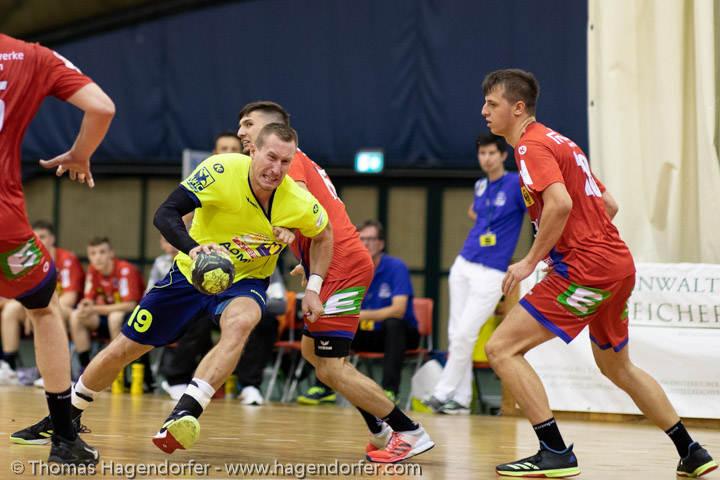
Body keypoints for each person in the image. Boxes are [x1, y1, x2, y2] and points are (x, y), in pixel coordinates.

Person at [12, 123, 333, 457]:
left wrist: (314, 287)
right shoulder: (221, 170)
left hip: (245, 280)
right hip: (190, 273)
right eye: (271, 157)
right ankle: (63, 419)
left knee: (241, 323)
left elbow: (325, 236)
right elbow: (165, 213)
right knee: (123, 349)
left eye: (285, 161)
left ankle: (184, 413)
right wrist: (193, 248)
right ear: (253, 151)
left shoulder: (298, 201)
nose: (277, 169)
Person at [480, 68, 717, 478]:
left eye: (492, 104)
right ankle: (692, 452)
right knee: (617, 367)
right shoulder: (563, 142)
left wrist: (532, 260)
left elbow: (560, 204)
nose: (484, 111)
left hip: (586, 269)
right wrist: (574, 245)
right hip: (616, 265)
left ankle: (555, 452)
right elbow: (608, 205)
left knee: (501, 348)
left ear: (517, 108)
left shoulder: (530, 147)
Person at [237, 101, 433, 463]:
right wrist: (308, 261)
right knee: (313, 354)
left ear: (271, 128)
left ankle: (408, 431)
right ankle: (379, 428)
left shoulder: (289, 160)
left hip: (342, 267)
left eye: (248, 123)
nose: (241, 131)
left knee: (331, 366)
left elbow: (302, 209)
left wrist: (285, 235)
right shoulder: (292, 160)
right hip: (333, 265)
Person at [1, 33, 114, 464]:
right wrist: (80, 153)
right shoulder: (31, 56)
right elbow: (102, 107)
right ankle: (65, 440)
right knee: (44, 308)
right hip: (4, 219)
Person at [424, 134, 526, 415]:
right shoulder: (480, 185)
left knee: (465, 334)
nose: (486, 158)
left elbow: (536, 211)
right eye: (482, 153)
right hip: (464, 263)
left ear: (503, 155)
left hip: (492, 271)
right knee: (456, 333)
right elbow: (477, 213)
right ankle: (461, 398)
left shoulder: (516, 183)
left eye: (492, 153)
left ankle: (442, 392)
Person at [158, 131, 242, 400]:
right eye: (223, 148)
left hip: (240, 269)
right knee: (197, 320)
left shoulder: (250, 183)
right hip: (204, 266)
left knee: (249, 323)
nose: (229, 152)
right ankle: (176, 377)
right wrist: (188, 246)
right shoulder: (204, 183)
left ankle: (243, 385)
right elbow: (171, 220)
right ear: (214, 154)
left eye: (234, 148)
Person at [300, 219, 419, 405]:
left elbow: (398, 310)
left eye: (371, 239)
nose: (365, 243)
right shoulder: (351, 267)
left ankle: (390, 391)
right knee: (331, 326)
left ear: (381, 244)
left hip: (394, 335)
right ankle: (324, 387)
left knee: (394, 325)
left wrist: (361, 315)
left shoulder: (396, 266)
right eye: (361, 239)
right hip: (362, 332)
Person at [1, 220, 85, 387]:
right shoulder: (28, 259)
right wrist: (31, 309)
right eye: (34, 237)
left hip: (66, 309)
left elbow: (69, 299)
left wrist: (37, 308)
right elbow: (20, 294)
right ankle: (10, 369)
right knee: (11, 309)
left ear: (52, 239)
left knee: (51, 313)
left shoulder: (67, 259)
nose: (38, 240)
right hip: (37, 305)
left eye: (43, 236)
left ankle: (58, 375)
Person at [69, 236, 145, 374]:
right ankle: (85, 370)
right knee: (76, 316)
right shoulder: (93, 270)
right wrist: (85, 306)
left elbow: (130, 305)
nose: (97, 257)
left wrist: (94, 309)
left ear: (111, 253)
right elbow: (89, 298)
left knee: (114, 317)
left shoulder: (125, 270)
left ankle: (117, 372)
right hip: (107, 320)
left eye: (102, 252)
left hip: (132, 322)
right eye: (93, 253)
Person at [233, 269, 287, 405]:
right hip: (220, 312)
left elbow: (280, 305)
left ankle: (250, 385)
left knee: (267, 323)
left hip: (253, 315)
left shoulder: (270, 269)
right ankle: (183, 380)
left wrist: (251, 305)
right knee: (198, 319)